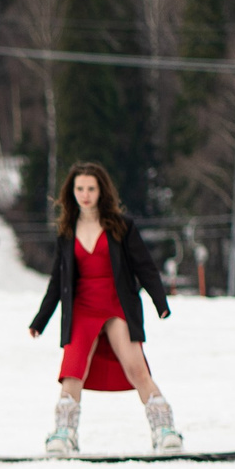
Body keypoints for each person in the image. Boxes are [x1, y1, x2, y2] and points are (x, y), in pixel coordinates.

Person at [29, 164, 176, 454]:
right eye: (80, 189)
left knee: (136, 368)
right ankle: (64, 434)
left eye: (91, 189)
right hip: (82, 309)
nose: (85, 195)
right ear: (72, 193)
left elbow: (144, 267)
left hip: (117, 306)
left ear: (101, 191)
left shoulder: (122, 226)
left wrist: (160, 303)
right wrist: (40, 320)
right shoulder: (67, 232)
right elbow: (57, 281)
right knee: (72, 372)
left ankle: (164, 430)